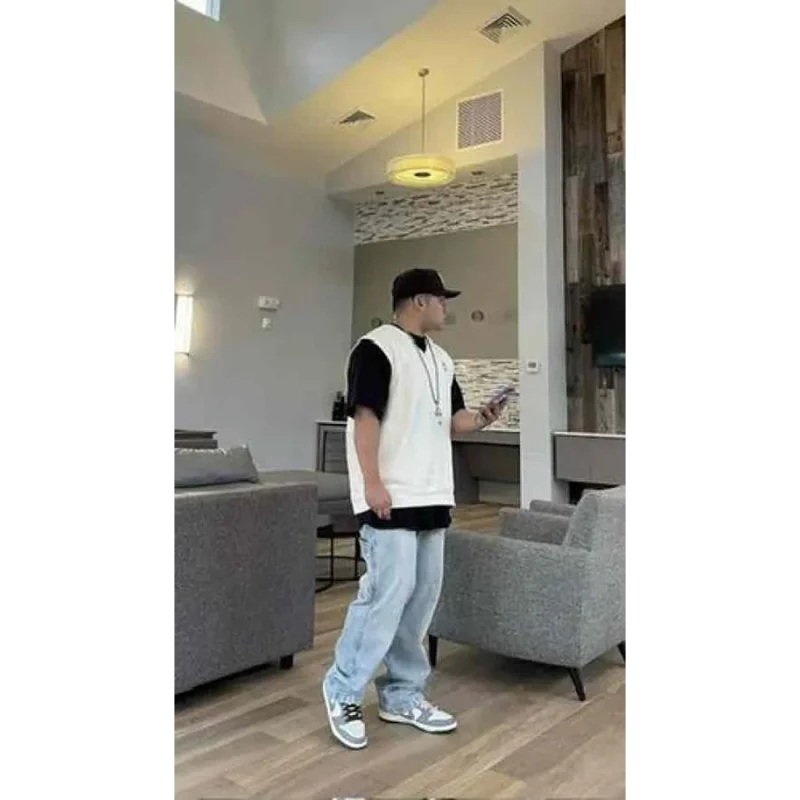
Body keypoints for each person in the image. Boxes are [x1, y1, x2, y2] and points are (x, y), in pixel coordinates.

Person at [322, 267, 509, 750]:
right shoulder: (374, 349)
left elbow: (453, 421)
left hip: (433, 494)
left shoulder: (441, 359)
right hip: (391, 495)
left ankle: (403, 693)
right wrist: (372, 483)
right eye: (442, 300)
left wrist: (483, 418)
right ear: (420, 301)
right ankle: (343, 688)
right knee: (386, 595)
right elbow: (365, 418)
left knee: (422, 597)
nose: (447, 308)